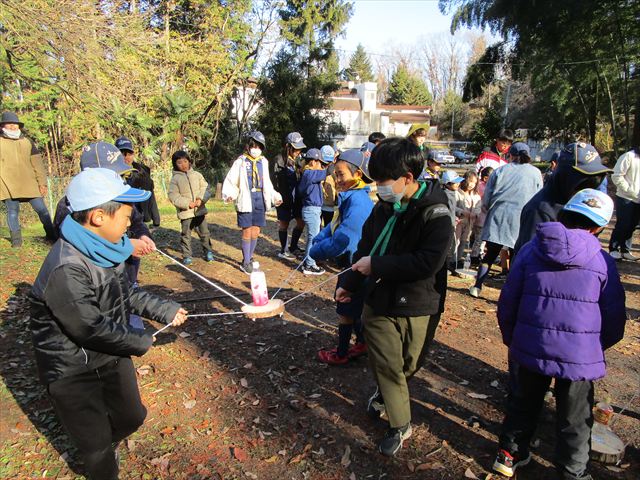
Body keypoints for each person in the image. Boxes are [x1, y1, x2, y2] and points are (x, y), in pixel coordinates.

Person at [29, 168, 188, 480]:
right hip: (71, 370)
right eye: (126, 216)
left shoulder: (105, 249)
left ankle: (107, 438)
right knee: (96, 447)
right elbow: (88, 328)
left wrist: (164, 310)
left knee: (133, 417)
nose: (130, 223)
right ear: (99, 217)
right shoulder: (66, 267)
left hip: (109, 355)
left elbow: (125, 293)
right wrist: (141, 339)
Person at [493, 188, 626, 480]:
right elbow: (614, 315)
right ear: (600, 227)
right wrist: (595, 346)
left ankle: (509, 455)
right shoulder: (603, 261)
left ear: (564, 215)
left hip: (530, 345)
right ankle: (573, 471)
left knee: (523, 402)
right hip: (579, 355)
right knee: (576, 416)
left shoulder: (530, 250)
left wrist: (512, 338)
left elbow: (508, 301)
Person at [336, 137, 452, 457]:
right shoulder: (382, 207)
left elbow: (428, 262)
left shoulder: (436, 213)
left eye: (384, 182)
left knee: (408, 365)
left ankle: (387, 395)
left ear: (408, 179)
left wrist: (377, 264)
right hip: (379, 299)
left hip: (420, 302)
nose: (379, 188)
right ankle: (400, 424)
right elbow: (365, 249)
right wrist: (350, 281)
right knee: (387, 363)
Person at [53, 141, 156, 292]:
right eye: (115, 175)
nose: (121, 180)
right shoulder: (71, 207)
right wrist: (126, 247)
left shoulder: (119, 197)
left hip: (124, 276)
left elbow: (136, 221)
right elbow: (82, 244)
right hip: (98, 285)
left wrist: (143, 235)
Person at [311, 148, 374, 365]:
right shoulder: (350, 197)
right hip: (352, 264)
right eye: (335, 174)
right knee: (354, 308)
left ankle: (341, 353)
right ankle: (363, 343)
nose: (337, 179)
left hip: (355, 267)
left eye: (341, 175)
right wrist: (320, 237)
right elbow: (335, 225)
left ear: (357, 175)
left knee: (345, 309)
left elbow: (342, 240)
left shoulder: (358, 204)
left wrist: (315, 251)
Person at [470, 142, 542, 298]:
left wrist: (486, 208)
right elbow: (538, 196)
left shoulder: (500, 171)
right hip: (522, 218)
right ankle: (512, 293)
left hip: (498, 216)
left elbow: (487, 198)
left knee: (490, 255)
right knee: (517, 257)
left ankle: (477, 286)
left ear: (510, 155)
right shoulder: (536, 173)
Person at [514, 142, 611, 256]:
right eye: (586, 180)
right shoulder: (540, 210)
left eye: (596, 179)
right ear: (566, 176)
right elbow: (529, 260)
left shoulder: (578, 204)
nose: (591, 185)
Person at [222, 131, 282, 273]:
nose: (256, 149)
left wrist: (275, 196)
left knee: (256, 231)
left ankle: (250, 256)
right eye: (253, 146)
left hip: (259, 200)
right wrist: (229, 194)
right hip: (246, 199)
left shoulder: (264, 162)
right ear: (248, 146)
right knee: (247, 231)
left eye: (259, 147)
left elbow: (267, 183)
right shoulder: (241, 162)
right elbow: (232, 180)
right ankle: (246, 261)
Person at [0, 111, 56, 246]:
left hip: (30, 183)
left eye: (15, 124)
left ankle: (52, 236)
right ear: (2, 126)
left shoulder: (27, 142)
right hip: (8, 183)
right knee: (12, 212)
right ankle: (16, 242)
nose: (13, 127)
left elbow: (37, 164)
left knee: (42, 210)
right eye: (10, 124)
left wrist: (42, 183)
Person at [168, 150, 214, 266]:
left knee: (205, 233)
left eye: (185, 161)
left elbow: (206, 188)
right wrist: (187, 203)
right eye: (179, 162)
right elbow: (173, 196)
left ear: (189, 161)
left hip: (200, 211)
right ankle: (187, 256)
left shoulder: (197, 175)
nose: (183, 164)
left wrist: (200, 199)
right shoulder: (175, 179)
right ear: (175, 164)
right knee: (186, 235)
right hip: (186, 213)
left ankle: (208, 251)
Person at [271, 132, 306, 259]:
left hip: (297, 198)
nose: (298, 151)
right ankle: (284, 250)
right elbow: (273, 181)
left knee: (301, 222)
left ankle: (294, 246)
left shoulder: (299, 161)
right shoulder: (278, 160)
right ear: (288, 146)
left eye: (299, 148)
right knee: (284, 224)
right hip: (284, 198)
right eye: (296, 148)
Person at [115, 136, 161, 227]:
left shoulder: (142, 171)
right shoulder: (112, 174)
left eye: (129, 153)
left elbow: (150, 194)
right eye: (122, 154)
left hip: (139, 215)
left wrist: (156, 217)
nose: (126, 157)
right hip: (120, 217)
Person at [297, 148, 328, 275]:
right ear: (313, 162)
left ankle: (308, 262)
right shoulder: (309, 174)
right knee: (313, 238)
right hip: (311, 210)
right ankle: (309, 265)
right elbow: (328, 172)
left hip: (311, 209)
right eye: (320, 162)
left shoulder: (308, 174)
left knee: (312, 237)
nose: (321, 165)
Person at [608, 147, 639, 261]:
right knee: (623, 224)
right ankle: (614, 249)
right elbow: (616, 175)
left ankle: (625, 250)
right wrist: (628, 189)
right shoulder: (629, 156)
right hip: (625, 197)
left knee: (633, 225)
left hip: (638, 199)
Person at [454, 171, 481, 269]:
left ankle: (458, 259)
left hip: (470, 222)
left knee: (464, 241)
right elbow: (453, 207)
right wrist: (462, 212)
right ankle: (452, 260)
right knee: (456, 241)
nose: (471, 185)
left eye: (474, 182)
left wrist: (476, 213)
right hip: (459, 221)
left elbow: (478, 207)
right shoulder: (457, 193)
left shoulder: (476, 195)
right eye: (470, 181)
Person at [441, 170, 464, 274]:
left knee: (451, 245)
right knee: (446, 246)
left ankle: (446, 264)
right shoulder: (446, 194)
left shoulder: (453, 193)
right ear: (447, 183)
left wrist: (458, 214)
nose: (458, 184)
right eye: (455, 182)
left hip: (451, 223)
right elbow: (448, 210)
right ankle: (444, 265)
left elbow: (453, 209)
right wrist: (453, 217)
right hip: (447, 225)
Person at [470, 166, 493, 267]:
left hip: (479, 217)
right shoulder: (484, 188)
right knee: (479, 239)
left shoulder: (480, 186)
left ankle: (477, 254)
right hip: (481, 218)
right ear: (486, 178)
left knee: (479, 239)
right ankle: (474, 257)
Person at [320, 145, 337, 227]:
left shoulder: (334, 170)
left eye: (329, 162)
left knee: (328, 227)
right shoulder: (315, 168)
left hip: (329, 204)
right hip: (318, 204)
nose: (327, 164)